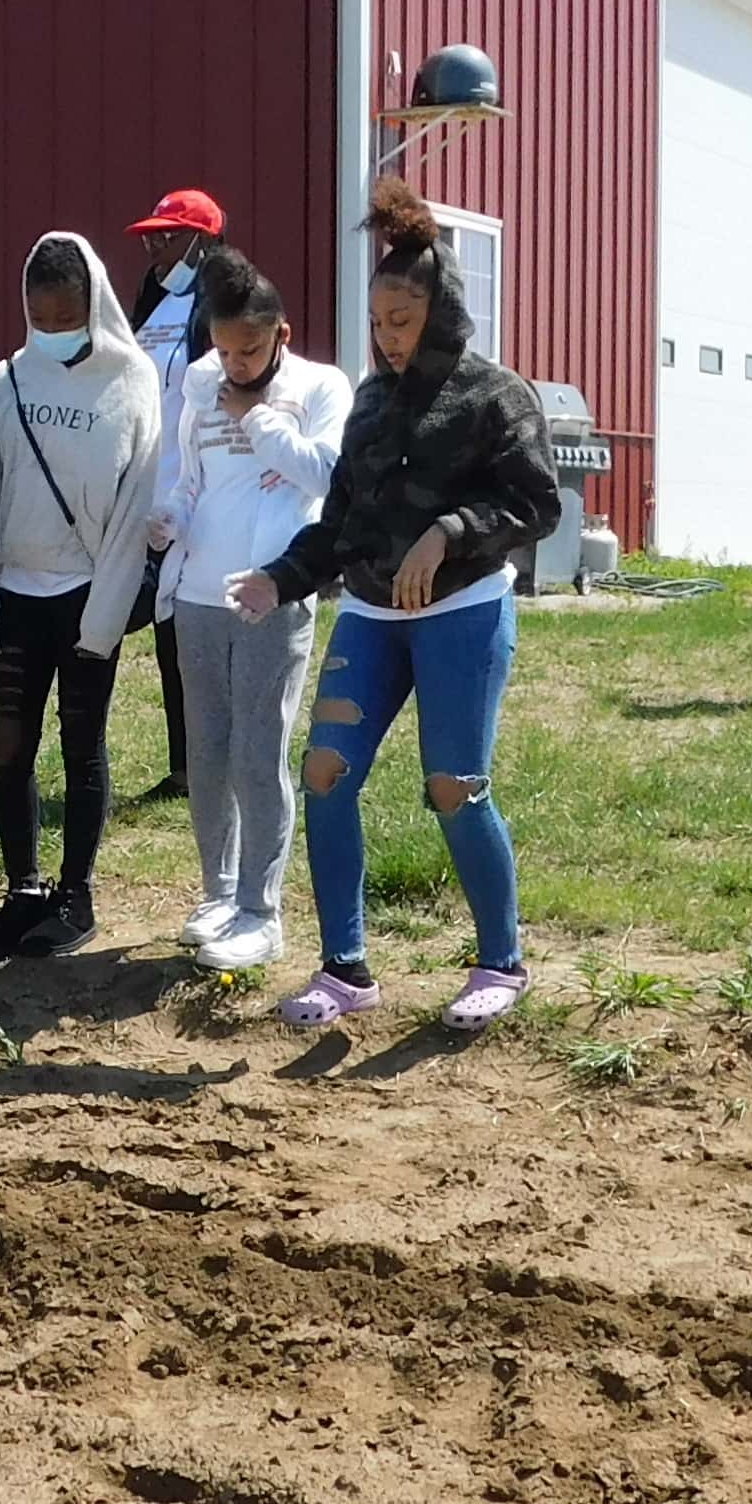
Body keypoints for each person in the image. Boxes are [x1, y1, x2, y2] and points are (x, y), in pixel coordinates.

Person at [248, 184, 561, 1033]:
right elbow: (341, 521)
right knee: (325, 772)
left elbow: (538, 505)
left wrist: (450, 532)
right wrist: (279, 577)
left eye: (403, 320)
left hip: (466, 611)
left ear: (444, 312)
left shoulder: (498, 395)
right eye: (378, 321)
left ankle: (502, 961)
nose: (387, 337)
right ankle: (345, 969)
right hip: (373, 617)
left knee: (454, 786)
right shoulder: (372, 403)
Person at [0, 232, 160, 958]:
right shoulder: (7, 379)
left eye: (66, 315)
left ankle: (77, 895)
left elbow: (137, 507)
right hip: (17, 594)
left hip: (85, 595)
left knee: (81, 744)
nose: (53, 329)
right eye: (40, 317)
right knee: (10, 744)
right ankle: (23, 888)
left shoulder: (132, 379)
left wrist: (105, 617)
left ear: (94, 303)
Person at [150, 252, 348, 972]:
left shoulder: (321, 386)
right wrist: (168, 515)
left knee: (257, 755)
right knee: (207, 750)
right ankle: (219, 893)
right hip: (200, 592)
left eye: (251, 349)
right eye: (224, 349)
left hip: (273, 593)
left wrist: (259, 421)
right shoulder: (200, 381)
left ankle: (262, 914)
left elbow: (327, 476)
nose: (234, 364)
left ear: (283, 335)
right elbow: (188, 476)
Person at [121, 189, 225, 799]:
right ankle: (184, 768)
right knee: (165, 636)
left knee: (191, 635)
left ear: (201, 239)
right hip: (148, 493)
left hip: (199, 493)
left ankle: (208, 766)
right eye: (150, 236)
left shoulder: (216, 301)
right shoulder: (154, 302)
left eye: (167, 234)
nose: (154, 245)